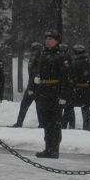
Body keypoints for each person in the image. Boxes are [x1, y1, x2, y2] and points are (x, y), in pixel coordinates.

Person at [34, 30, 69, 158]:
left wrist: (63, 96)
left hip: (55, 92)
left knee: (55, 123)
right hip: (44, 92)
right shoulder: (43, 54)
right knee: (47, 122)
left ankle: (54, 149)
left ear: (57, 42)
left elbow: (66, 78)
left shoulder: (61, 56)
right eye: (46, 39)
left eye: (51, 39)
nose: (47, 41)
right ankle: (48, 148)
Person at [13, 42, 42, 128]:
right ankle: (19, 123)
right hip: (33, 85)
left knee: (35, 106)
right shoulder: (33, 58)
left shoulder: (38, 59)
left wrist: (31, 88)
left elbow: (35, 73)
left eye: (35, 49)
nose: (33, 51)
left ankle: (41, 124)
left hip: (36, 86)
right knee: (28, 106)